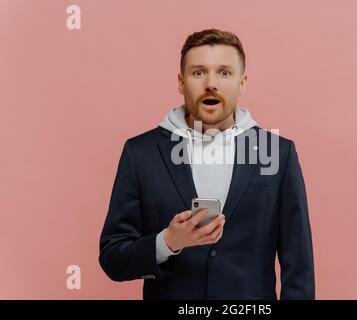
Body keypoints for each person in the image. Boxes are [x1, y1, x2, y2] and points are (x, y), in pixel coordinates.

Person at [99, 28, 315, 300]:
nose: (211, 83)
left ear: (242, 82)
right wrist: (167, 243)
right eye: (198, 72)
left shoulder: (278, 153)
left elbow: (299, 266)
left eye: (224, 72)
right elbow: (113, 258)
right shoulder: (140, 153)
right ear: (181, 82)